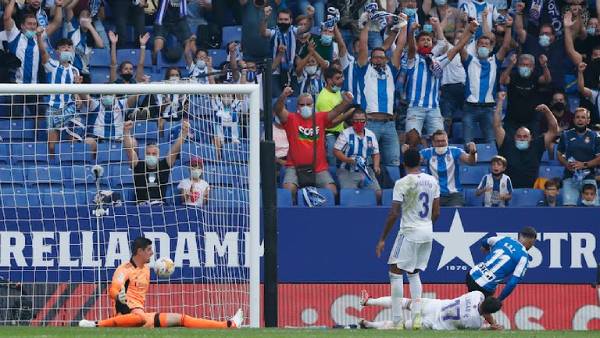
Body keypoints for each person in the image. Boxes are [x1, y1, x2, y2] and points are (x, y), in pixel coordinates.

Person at [78, 237, 242, 329]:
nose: (152, 252)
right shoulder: (124, 269)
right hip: (126, 317)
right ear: (140, 251)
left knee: (181, 318)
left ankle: (228, 325)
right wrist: (118, 296)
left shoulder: (148, 269)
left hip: (141, 316)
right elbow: (113, 289)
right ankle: (96, 324)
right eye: (149, 250)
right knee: (140, 318)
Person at [375, 148, 440, 330]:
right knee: (414, 272)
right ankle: (417, 316)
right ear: (420, 161)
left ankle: (397, 321)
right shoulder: (432, 180)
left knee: (395, 272)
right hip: (427, 231)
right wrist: (425, 224)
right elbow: (437, 212)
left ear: (403, 163)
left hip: (409, 231)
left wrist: (382, 239)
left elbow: (393, 213)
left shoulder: (402, 182)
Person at [274, 87, 354, 200]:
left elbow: (335, 111)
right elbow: (278, 110)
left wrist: (345, 102)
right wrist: (283, 96)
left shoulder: (320, 118)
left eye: (309, 104)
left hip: (318, 168)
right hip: (294, 167)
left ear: (313, 106)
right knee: (288, 191)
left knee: (332, 192)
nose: (305, 107)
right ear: (297, 107)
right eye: (302, 105)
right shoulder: (291, 119)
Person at [355, 13, 407, 166]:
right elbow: (363, 47)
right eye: (375, 57)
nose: (378, 59)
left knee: (394, 163)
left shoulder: (391, 69)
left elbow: (400, 46)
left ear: (385, 58)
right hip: (370, 123)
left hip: (390, 124)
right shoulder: (365, 69)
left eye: (381, 57)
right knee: (368, 163)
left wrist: (403, 25)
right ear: (371, 59)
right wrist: (366, 24)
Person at [466, 226, 537, 327]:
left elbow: (485, 241)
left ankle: (493, 324)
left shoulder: (504, 239)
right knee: (485, 306)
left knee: (480, 302)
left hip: (471, 274)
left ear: (520, 236)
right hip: (485, 286)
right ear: (531, 241)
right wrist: (499, 299)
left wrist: (485, 248)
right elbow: (512, 283)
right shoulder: (524, 257)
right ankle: (483, 324)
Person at [458, 16, 512, 144]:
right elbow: (460, 47)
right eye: (481, 44)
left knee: (491, 143)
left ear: (491, 48)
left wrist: (509, 28)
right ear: (476, 47)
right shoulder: (469, 61)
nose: (483, 46)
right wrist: (469, 30)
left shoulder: (495, 61)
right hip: (470, 108)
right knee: (468, 143)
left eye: (486, 44)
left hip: (488, 108)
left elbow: (505, 46)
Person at [494, 93, 559, 189]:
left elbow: (554, 130)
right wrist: (500, 102)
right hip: (508, 190)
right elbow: (497, 125)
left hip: (532, 190)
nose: (522, 138)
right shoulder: (507, 144)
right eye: (519, 136)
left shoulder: (537, 145)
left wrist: (547, 111)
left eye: (525, 136)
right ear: (514, 137)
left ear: (530, 138)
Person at [358, 290, 502, 330]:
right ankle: (371, 325)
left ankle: (369, 301)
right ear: (489, 312)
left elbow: (484, 308)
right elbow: (480, 323)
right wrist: (491, 326)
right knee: (400, 326)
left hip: (434, 305)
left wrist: (491, 322)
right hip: (432, 323)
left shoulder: (476, 294)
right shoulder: (475, 322)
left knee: (404, 302)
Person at [123, 120, 190, 204]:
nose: (151, 156)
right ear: (144, 155)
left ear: (158, 155)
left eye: (154, 154)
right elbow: (129, 150)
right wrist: (126, 131)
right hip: (141, 207)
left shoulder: (164, 165)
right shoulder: (138, 165)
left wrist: (184, 133)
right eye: (148, 153)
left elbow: (176, 149)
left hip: (160, 206)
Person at [40, 38, 83, 155]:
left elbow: (75, 90)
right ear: (57, 51)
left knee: (74, 138)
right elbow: (43, 53)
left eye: (69, 46)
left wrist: (78, 97)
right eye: (63, 46)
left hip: (70, 107)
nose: (67, 48)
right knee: (52, 144)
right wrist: (39, 37)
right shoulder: (52, 65)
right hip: (54, 107)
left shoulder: (75, 70)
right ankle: (52, 165)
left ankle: (70, 161)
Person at [333, 107, 382, 203]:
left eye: (362, 121)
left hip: (366, 170)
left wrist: (376, 166)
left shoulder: (371, 135)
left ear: (366, 121)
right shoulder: (345, 134)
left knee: (378, 193)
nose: (359, 123)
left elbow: (376, 153)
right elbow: (336, 151)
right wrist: (348, 160)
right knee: (349, 195)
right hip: (347, 170)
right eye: (356, 121)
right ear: (352, 121)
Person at [420, 130, 477, 207]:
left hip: (453, 195)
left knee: (456, 214)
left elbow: (471, 162)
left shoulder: (455, 151)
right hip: (434, 195)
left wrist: (473, 152)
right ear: (433, 143)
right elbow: (413, 162)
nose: (440, 144)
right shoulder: (427, 152)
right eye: (438, 141)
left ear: (447, 141)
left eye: (443, 141)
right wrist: (406, 153)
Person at [556, 106, 600, 206]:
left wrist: (584, 165)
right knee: (569, 208)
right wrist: (566, 164)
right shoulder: (566, 135)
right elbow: (559, 154)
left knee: (593, 209)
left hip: (589, 176)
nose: (580, 120)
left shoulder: (595, 137)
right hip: (570, 177)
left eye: (583, 117)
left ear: (588, 120)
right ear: (574, 120)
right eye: (577, 117)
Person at [499, 53, 551, 136]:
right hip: (512, 120)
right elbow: (502, 80)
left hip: (532, 120)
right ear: (518, 65)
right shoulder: (513, 75)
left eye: (527, 65)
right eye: (522, 65)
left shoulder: (535, 77)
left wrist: (544, 66)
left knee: (534, 145)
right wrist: (511, 64)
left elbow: (547, 80)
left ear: (533, 67)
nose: (525, 67)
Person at [152, 0, 197, 65]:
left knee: (192, 45)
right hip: (162, 20)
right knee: (157, 49)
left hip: (179, 21)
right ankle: (155, 69)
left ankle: (198, 69)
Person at [316, 66, 344, 165]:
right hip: (329, 135)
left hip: (340, 133)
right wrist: (348, 113)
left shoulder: (336, 91)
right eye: (337, 78)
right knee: (333, 164)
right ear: (329, 80)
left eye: (341, 77)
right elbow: (330, 124)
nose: (341, 81)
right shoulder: (323, 98)